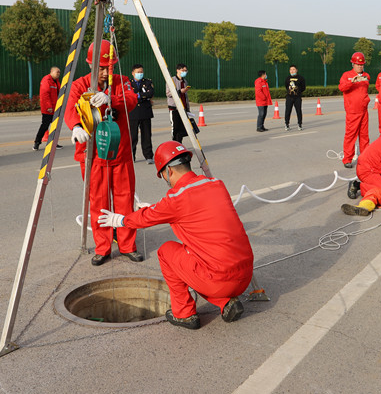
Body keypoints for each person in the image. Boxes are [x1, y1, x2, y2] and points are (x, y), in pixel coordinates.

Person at [98, 141, 254, 330]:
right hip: (245, 276)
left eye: (163, 176)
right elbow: (185, 208)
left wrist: (120, 221)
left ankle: (185, 314)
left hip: (218, 280)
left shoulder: (176, 199)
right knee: (196, 255)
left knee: (167, 252)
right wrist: (155, 209)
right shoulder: (215, 184)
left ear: (168, 172)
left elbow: (155, 214)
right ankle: (226, 303)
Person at [64, 40, 142, 266]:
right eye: (102, 68)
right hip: (93, 156)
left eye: (110, 67)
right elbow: (70, 109)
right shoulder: (79, 86)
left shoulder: (122, 82)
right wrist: (76, 126)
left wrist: (112, 99)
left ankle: (127, 244)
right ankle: (103, 246)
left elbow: (131, 100)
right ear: (91, 65)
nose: (107, 73)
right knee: (98, 203)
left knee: (125, 201)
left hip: (120, 153)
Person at [338, 52, 370, 168]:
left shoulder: (366, 76)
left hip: (364, 110)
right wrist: (352, 81)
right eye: (357, 64)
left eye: (362, 65)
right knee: (351, 135)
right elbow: (341, 87)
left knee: (364, 136)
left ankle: (365, 158)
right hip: (352, 111)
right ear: (353, 64)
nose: (360, 66)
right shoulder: (347, 75)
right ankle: (347, 159)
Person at [128, 64, 154, 163]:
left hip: (145, 112)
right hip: (133, 112)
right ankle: (131, 156)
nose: (140, 74)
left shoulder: (147, 82)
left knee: (146, 135)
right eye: (138, 72)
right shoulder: (128, 83)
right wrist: (143, 96)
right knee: (132, 136)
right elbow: (128, 95)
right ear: (133, 73)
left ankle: (148, 156)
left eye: (141, 72)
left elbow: (150, 93)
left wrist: (137, 95)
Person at [166, 63, 198, 143]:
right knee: (175, 128)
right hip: (174, 108)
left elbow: (185, 96)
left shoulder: (185, 81)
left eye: (186, 70)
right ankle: (174, 144)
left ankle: (179, 144)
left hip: (183, 108)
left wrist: (187, 108)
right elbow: (168, 94)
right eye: (183, 70)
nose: (184, 72)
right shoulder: (171, 80)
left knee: (181, 128)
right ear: (177, 70)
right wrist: (180, 91)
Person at [33, 66, 62, 151]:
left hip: (55, 108)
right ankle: (37, 143)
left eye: (59, 72)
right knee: (44, 126)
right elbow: (44, 95)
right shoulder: (46, 80)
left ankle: (54, 143)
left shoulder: (56, 81)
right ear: (51, 72)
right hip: (48, 109)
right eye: (57, 72)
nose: (58, 74)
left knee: (55, 126)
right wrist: (49, 107)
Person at [283, 64, 305, 131]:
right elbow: (286, 86)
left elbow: (303, 87)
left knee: (298, 111)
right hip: (289, 97)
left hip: (297, 98)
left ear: (296, 70)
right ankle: (287, 124)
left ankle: (299, 124)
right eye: (291, 69)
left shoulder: (301, 78)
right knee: (287, 111)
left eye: (293, 69)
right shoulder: (287, 78)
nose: (292, 71)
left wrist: (298, 92)